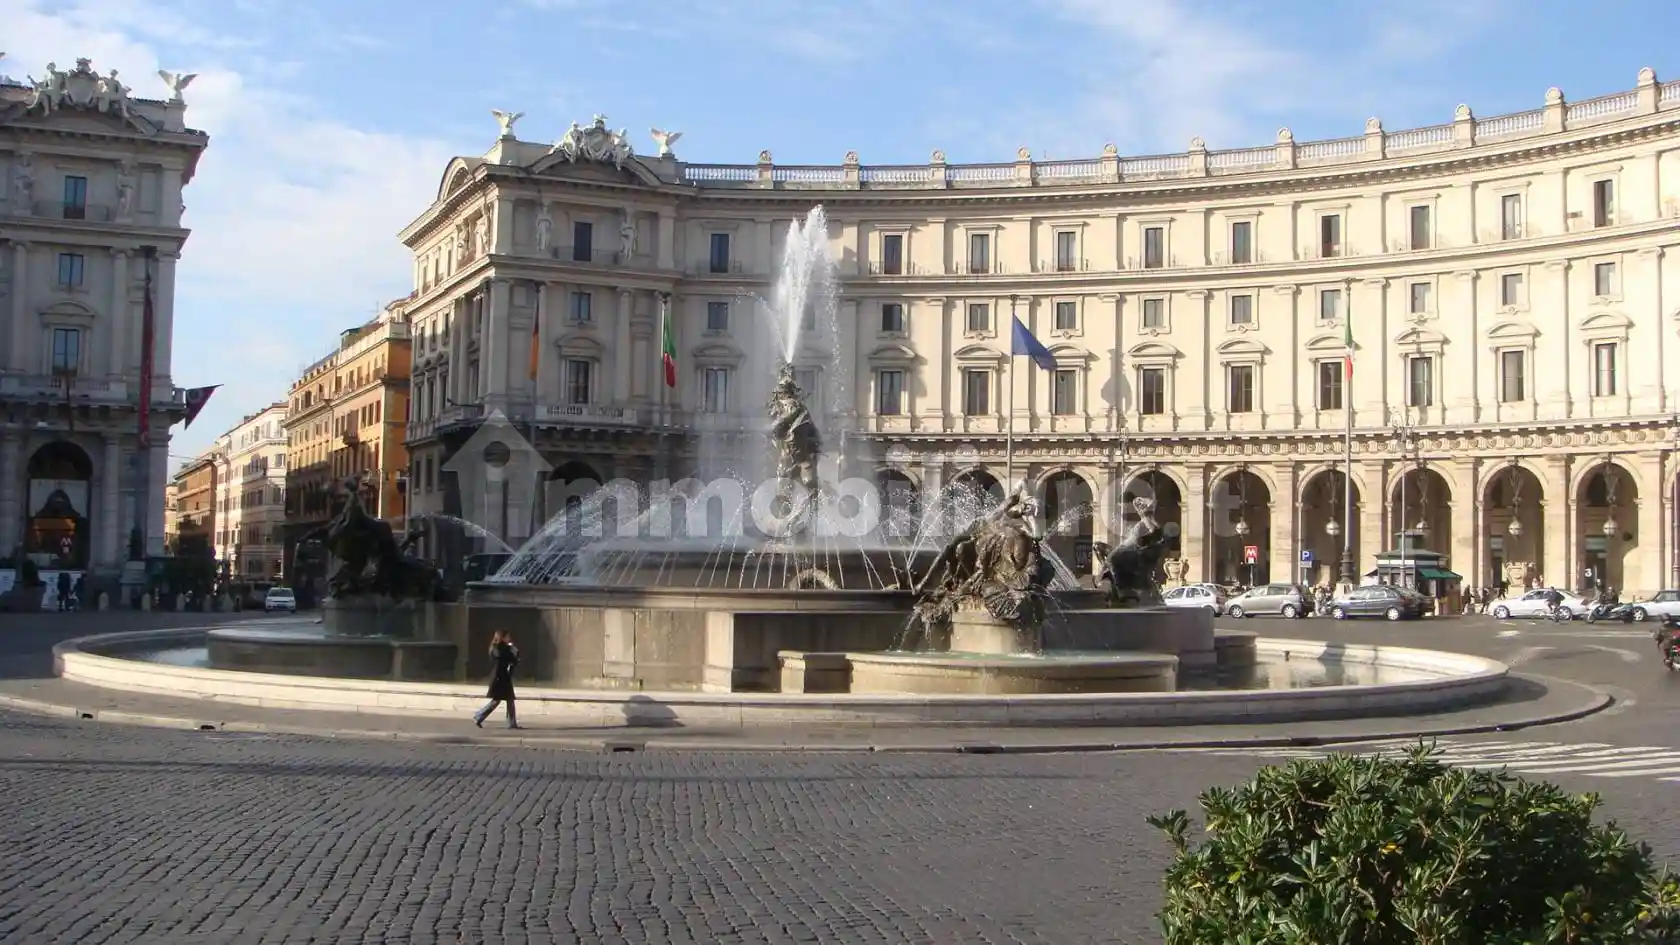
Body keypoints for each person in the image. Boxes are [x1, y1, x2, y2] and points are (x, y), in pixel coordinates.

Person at [472, 630, 521, 729]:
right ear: (502, 637)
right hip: (498, 678)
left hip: (504, 677)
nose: (509, 639)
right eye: (507, 637)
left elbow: (513, 659)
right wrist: (509, 649)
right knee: (496, 701)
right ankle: (478, 716)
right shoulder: (495, 648)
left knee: (510, 700)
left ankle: (512, 723)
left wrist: (514, 650)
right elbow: (499, 655)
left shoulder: (507, 648)